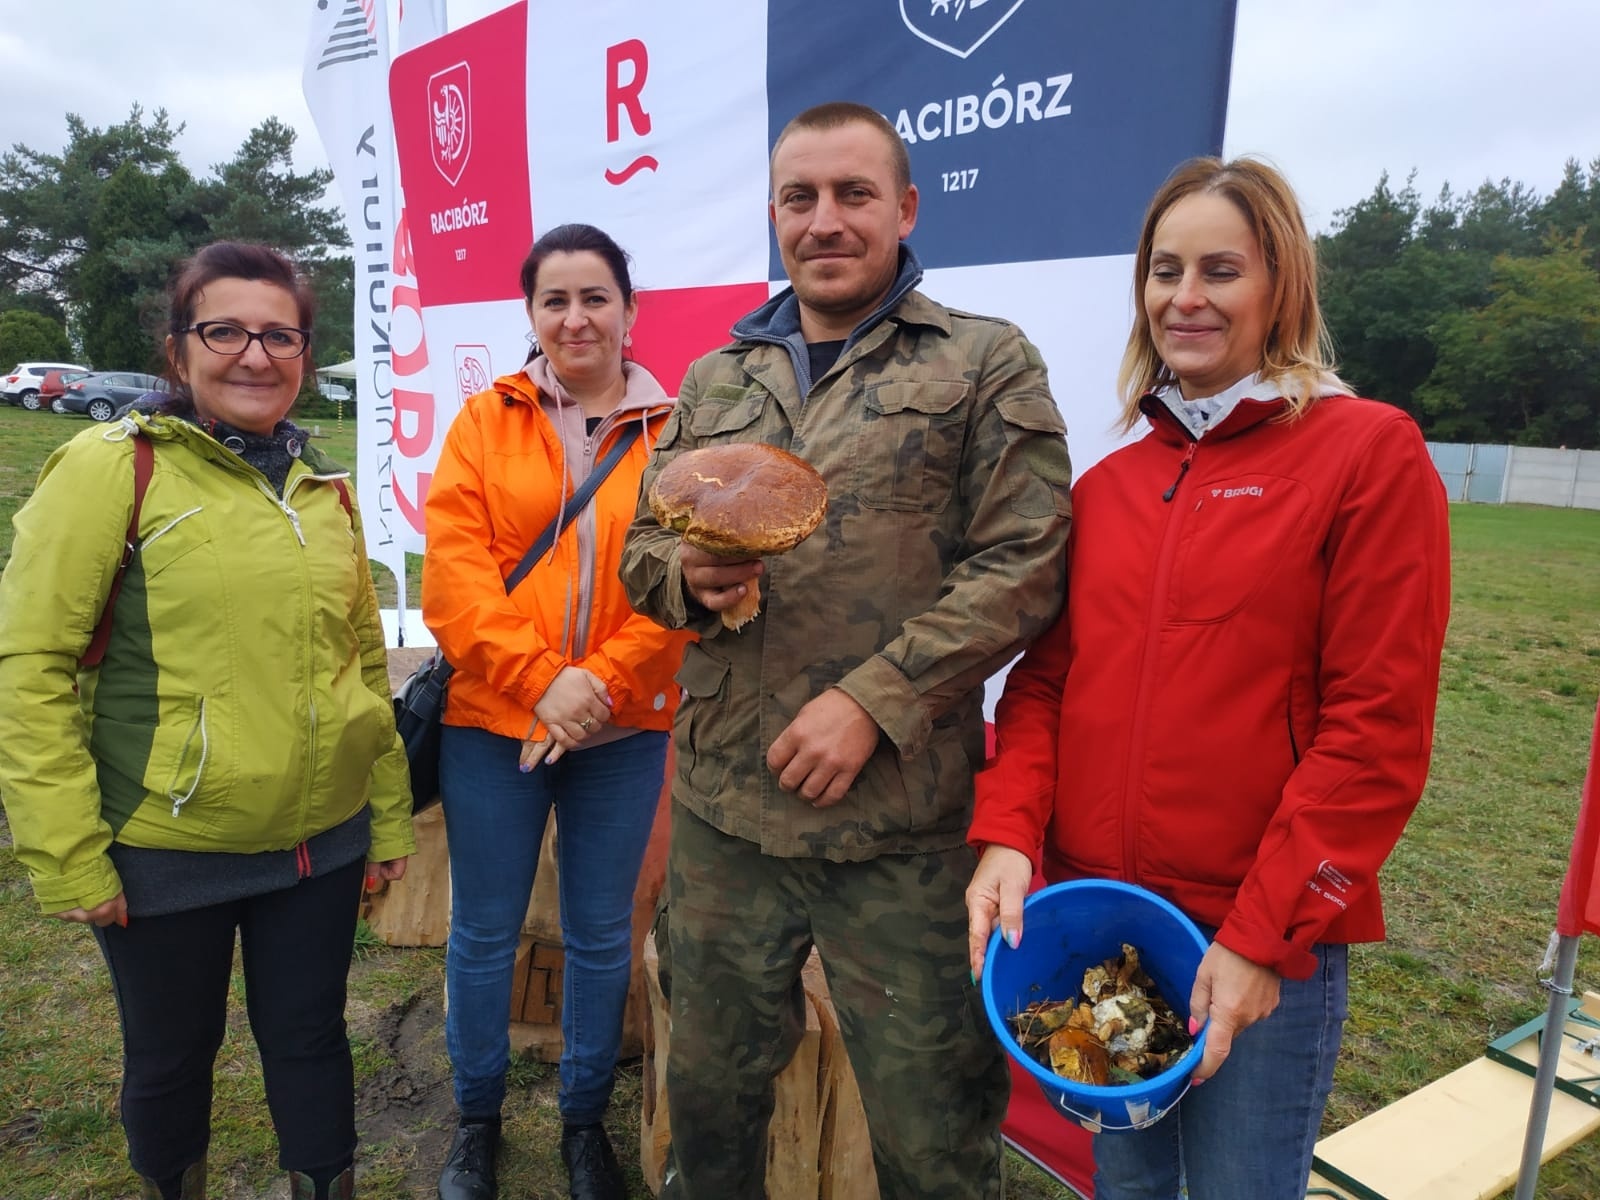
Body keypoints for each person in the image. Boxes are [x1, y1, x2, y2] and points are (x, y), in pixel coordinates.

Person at [965, 156, 1451, 1200]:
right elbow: (1045, 685)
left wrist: (1261, 937)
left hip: (1253, 937)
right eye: (1164, 270)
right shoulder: (1108, 483)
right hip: (1103, 922)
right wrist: (1008, 831)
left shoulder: (1366, 452)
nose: (1185, 298)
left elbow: (1376, 730)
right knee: (1129, 1186)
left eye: (1220, 270)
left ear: (1281, 285)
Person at [619, 101, 1074, 1199]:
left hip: (897, 834)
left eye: (853, 195)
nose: (825, 220)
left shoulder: (981, 362)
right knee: (714, 1110)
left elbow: (1027, 562)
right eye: (800, 198)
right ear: (774, 214)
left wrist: (877, 697)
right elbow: (641, 546)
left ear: (904, 207)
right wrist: (689, 578)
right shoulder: (718, 378)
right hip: (728, 817)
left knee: (931, 1136)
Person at [0, 241, 416, 1200]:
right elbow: (30, 666)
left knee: (310, 1039)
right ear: (179, 349)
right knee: (171, 1056)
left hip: (319, 842)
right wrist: (67, 851)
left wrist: (385, 817)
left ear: (305, 353)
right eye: (223, 330)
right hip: (165, 843)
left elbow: (359, 665)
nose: (255, 356)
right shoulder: (116, 470)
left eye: (280, 335)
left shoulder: (322, 487)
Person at [422, 223, 691, 1200]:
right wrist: (542, 682)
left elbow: (682, 586)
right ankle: (476, 1122)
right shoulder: (483, 423)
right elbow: (454, 583)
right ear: (530, 316)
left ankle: (584, 1123)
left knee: (598, 934)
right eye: (555, 301)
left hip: (623, 734)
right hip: (494, 727)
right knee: (484, 934)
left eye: (595, 297)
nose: (575, 318)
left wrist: (598, 689)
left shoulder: (676, 431)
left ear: (628, 308)